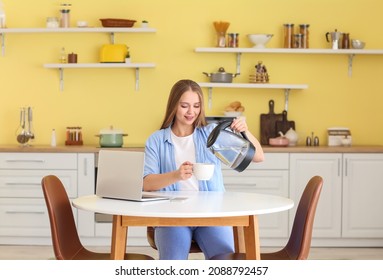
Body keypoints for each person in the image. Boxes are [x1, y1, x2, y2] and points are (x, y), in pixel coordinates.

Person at [143, 79, 264, 260]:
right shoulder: (156, 140)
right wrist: (176, 175)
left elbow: (258, 157)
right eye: (184, 105)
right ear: (174, 106)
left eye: (196, 106)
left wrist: (245, 132)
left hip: (211, 214)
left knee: (225, 262)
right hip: (172, 217)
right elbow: (147, 183)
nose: (191, 112)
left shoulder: (210, 133)